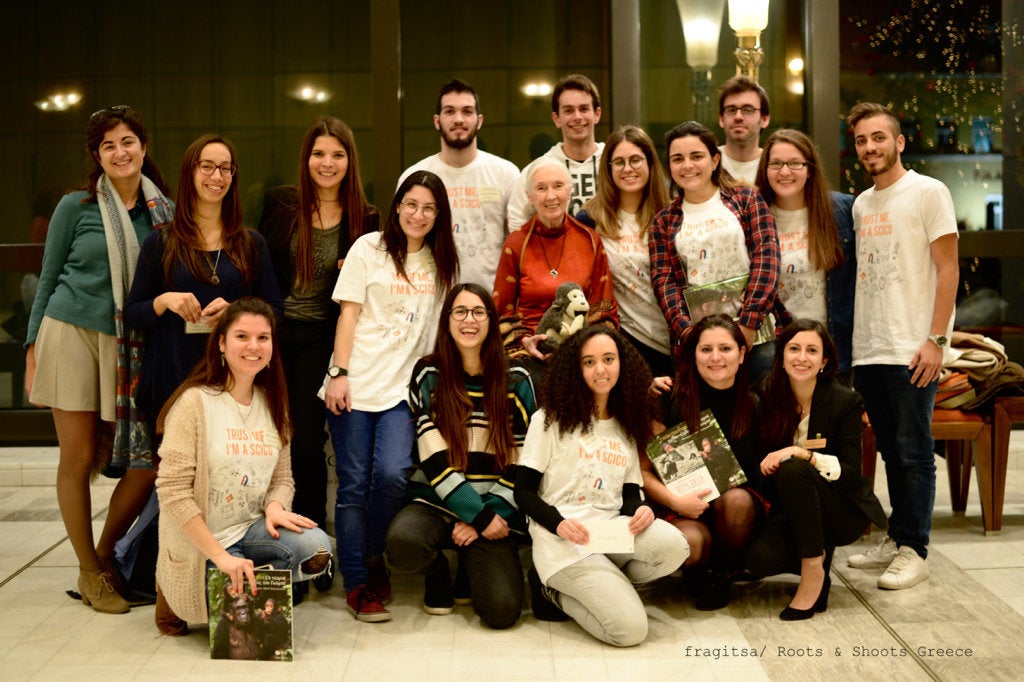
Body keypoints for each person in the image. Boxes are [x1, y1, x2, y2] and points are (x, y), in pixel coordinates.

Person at [24, 105, 174, 614]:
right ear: (97, 156)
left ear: (144, 147)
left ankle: (107, 552)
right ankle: (89, 571)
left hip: (128, 345)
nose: (120, 152)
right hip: (68, 335)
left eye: (127, 141)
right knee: (79, 457)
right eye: (108, 145)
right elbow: (47, 280)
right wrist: (30, 351)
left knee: (143, 461)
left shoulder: (164, 213)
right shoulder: (76, 206)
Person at [322, 170, 459, 622]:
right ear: (397, 206)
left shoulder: (442, 263)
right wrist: (339, 373)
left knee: (393, 474)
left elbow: (440, 333)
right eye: (411, 204)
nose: (418, 215)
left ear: (438, 215)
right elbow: (348, 314)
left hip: (403, 390)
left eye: (428, 208)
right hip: (356, 382)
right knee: (354, 485)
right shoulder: (369, 248)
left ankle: (374, 555)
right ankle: (359, 581)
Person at [154, 297, 332, 635]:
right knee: (224, 623)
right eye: (242, 337)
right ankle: (172, 589)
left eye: (263, 338)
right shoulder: (194, 402)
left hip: (249, 530)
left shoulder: (273, 403)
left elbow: (283, 477)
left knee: (316, 547)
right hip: (203, 541)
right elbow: (173, 493)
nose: (254, 346)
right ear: (221, 343)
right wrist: (220, 556)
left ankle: (253, 572)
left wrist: (276, 506)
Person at [515, 326, 689, 647]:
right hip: (564, 539)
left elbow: (630, 493)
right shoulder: (549, 419)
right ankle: (551, 590)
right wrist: (559, 524)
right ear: (575, 368)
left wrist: (642, 510)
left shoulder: (626, 422)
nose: (601, 370)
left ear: (622, 364)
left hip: (608, 533)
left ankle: (609, 585)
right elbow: (522, 491)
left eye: (608, 359)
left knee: (675, 546)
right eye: (589, 362)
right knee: (629, 631)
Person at [844, 102, 959, 590]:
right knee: (891, 450)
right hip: (869, 348)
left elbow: (949, 269)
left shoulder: (929, 192)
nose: (870, 147)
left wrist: (935, 340)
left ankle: (916, 549)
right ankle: (898, 536)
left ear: (899, 142)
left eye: (878, 137)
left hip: (913, 347)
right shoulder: (861, 203)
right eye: (861, 141)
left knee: (915, 451)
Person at [258, 117, 379, 572]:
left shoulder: (366, 218)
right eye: (318, 154)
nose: (327, 163)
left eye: (337, 155)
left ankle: (311, 551)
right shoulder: (279, 203)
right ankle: (264, 539)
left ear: (350, 161)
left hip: (319, 339)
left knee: (306, 444)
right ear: (306, 158)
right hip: (270, 331)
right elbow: (257, 263)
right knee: (265, 438)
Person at [385, 283, 536, 629]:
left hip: (494, 510)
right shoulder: (428, 373)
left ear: (491, 321)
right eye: (460, 312)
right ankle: (437, 571)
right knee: (402, 544)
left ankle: (470, 563)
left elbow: (525, 461)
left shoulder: (517, 379)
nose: (469, 320)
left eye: (479, 312)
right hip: (436, 502)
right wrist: (475, 514)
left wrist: (483, 518)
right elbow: (433, 459)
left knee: (501, 612)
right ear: (447, 320)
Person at [127, 134, 283, 444]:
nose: (217, 176)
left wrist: (238, 313)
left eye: (226, 168)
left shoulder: (251, 244)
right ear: (190, 173)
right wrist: (164, 300)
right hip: (173, 376)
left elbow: (276, 312)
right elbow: (133, 314)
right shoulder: (160, 243)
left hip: (234, 380)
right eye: (207, 166)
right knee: (178, 479)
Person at [746, 320, 886, 620]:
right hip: (789, 506)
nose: (801, 357)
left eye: (812, 351)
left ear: (824, 361)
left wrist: (804, 454)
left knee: (794, 468)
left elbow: (850, 473)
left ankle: (813, 567)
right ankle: (817, 559)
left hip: (839, 508)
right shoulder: (765, 392)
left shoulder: (844, 400)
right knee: (758, 560)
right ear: (781, 356)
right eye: (794, 349)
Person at [640, 314, 764, 610]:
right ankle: (698, 569)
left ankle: (721, 573)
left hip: (734, 511)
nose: (715, 357)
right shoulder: (668, 397)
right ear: (693, 355)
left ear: (742, 353)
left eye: (725, 348)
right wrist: (675, 501)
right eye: (705, 349)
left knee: (737, 501)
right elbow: (642, 471)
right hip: (680, 503)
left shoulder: (755, 403)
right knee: (689, 543)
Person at [649, 121, 787, 380]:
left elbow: (767, 261)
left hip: (756, 338)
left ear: (714, 160)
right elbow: (664, 284)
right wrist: (691, 336)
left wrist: (749, 322)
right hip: (697, 347)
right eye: (678, 159)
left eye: (696, 156)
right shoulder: (663, 221)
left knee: (765, 414)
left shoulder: (746, 200)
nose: (687, 165)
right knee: (705, 419)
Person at [492, 158, 618, 365]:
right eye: (541, 188)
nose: (551, 196)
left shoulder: (590, 240)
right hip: (527, 352)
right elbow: (502, 313)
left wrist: (581, 347)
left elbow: (604, 309)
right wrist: (526, 342)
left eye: (558, 186)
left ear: (570, 191)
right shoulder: (516, 243)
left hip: (581, 352)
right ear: (530, 197)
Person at [398, 79, 520, 290]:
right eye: (449, 111)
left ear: (479, 120)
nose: (458, 119)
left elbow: (519, 241)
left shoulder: (506, 173)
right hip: (430, 300)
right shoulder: (415, 176)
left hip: (491, 301)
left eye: (467, 111)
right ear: (437, 121)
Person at [755, 129, 857, 378]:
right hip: (777, 355)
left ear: (809, 169)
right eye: (776, 163)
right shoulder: (755, 218)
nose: (785, 171)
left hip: (831, 351)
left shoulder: (841, 210)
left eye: (795, 163)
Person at [576, 125, 673, 378]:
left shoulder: (671, 214)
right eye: (618, 162)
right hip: (628, 341)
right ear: (608, 170)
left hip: (678, 338)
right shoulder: (589, 219)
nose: (627, 169)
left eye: (635, 160)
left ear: (650, 163)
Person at [508, 74, 605, 228]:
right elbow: (517, 221)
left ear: (597, 114)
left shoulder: (614, 161)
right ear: (556, 119)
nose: (577, 117)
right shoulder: (537, 170)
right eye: (568, 111)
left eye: (584, 109)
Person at [717, 75, 771, 184]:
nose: (738, 117)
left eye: (748, 110)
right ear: (721, 119)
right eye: (731, 110)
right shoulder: (707, 163)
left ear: (764, 119)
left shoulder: (774, 165)